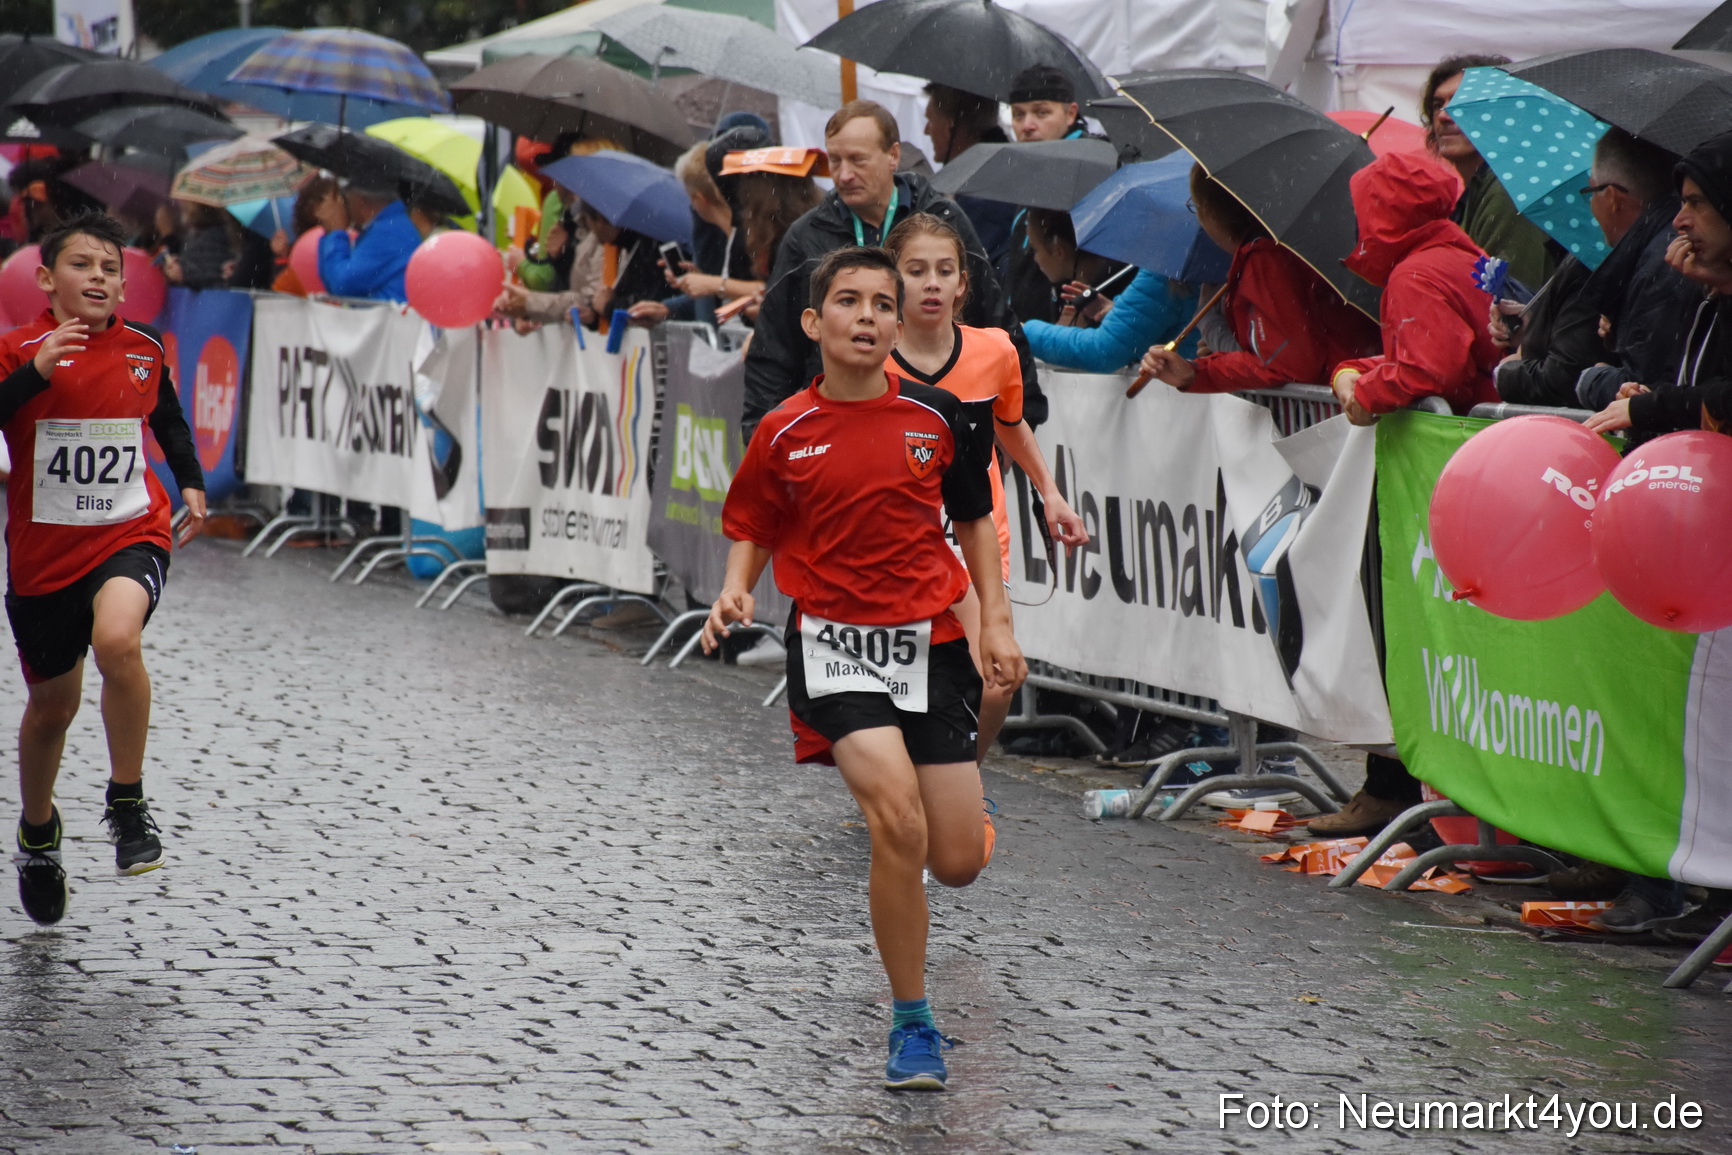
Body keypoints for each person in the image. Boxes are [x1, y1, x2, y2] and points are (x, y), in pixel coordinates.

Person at [704, 245, 1024, 1092]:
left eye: (883, 303)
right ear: (815, 324)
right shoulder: (783, 430)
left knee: (955, 860)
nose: (871, 316)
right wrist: (734, 591)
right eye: (849, 302)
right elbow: (754, 523)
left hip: (933, 645)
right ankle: (912, 1022)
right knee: (897, 821)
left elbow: (976, 520)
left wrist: (994, 618)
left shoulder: (940, 418)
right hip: (836, 645)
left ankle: (967, 816)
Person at [0, 211, 207, 926]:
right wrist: (34, 373)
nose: (98, 277)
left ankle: (127, 804)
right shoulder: (15, 348)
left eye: (110, 267)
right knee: (52, 707)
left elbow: (168, 418)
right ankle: (37, 833)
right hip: (43, 557)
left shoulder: (144, 349)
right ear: (46, 279)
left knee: (120, 639)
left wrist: (190, 481)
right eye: (82, 264)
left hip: (128, 531)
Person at [884, 213, 1086, 759]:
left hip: (973, 537)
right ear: (891, 279)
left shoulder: (994, 350)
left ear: (962, 284)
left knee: (998, 678)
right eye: (916, 270)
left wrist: (1050, 493)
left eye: (944, 270)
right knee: (898, 687)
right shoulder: (869, 357)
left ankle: (961, 785)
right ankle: (911, 792)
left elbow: (1009, 424)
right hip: (893, 547)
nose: (931, 283)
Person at [742, 100, 1044, 438]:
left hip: (937, 426)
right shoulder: (806, 236)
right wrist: (762, 435)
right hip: (841, 428)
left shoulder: (943, 220)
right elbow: (774, 348)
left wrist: (1023, 415)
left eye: (857, 160)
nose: (843, 174)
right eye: (836, 161)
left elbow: (994, 316)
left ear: (893, 156)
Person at [1136, 166, 1381, 394]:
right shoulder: (1278, 252)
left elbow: (1286, 363)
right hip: (1346, 398)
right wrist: (1218, 360)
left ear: (1212, 211)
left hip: (1335, 412)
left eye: (1196, 206)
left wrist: (1197, 372)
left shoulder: (1266, 259)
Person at [1330, 151, 1501, 422]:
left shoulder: (1414, 276)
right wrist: (1353, 370)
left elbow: (1433, 370)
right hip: (1500, 424)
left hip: (1477, 435)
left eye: (1361, 210)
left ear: (1379, 214)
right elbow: (1436, 353)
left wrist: (1365, 394)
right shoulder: (1458, 253)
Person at [1586, 129, 1732, 440]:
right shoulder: (1709, 284)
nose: (1679, 220)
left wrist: (1653, 405)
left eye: (1696, 202)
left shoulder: (1679, 276)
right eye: (1681, 203)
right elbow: (1706, 382)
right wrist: (1648, 396)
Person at [1421, 53, 1558, 293]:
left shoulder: (1510, 189)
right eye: (1437, 105)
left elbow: (1511, 308)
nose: (1443, 115)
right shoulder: (1479, 189)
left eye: (1462, 102)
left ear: (1503, 112)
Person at [999, 66, 1097, 327]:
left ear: (1071, 113)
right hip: (1031, 334)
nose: (1028, 126)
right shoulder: (1033, 168)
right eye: (1018, 115)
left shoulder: (1090, 169)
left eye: (1042, 112)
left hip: (1067, 334)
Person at [923, 81, 1014, 265]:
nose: (926, 130)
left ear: (950, 127)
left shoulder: (980, 197)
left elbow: (974, 272)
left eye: (930, 121)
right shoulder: (1003, 168)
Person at [313, 181, 421, 303]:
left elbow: (342, 286)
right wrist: (330, 233)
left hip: (391, 320)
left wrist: (336, 232)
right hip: (386, 319)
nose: (345, 206)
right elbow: (332, 284)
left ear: (360, 201)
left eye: (346, 200)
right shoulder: (390, 224)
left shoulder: (389, 230)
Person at [163, 201, 234, 291]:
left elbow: (214, 273)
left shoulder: (216, 235)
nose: (183, 205)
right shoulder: (193, 235)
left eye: (189, 203)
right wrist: (177, 266)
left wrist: (184, 272)